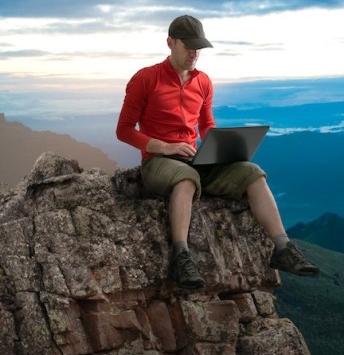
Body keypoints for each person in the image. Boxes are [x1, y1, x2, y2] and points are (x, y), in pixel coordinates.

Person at [116, 15, 319, 290]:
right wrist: (163, 146)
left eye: (198, 47)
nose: (194, 53)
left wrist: (223, 148)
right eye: (188, 46)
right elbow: (124, 130)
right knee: (186, 178)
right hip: (159, 162)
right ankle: (181, 256)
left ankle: (283, 248)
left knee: (253, 173)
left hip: (196, 159)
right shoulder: (145, 79)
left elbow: (206, 125)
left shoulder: (203, 82)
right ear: (170, 43)